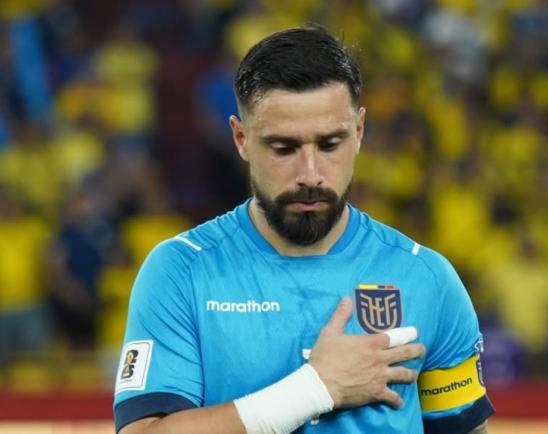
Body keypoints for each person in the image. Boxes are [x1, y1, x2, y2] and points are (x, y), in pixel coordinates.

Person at [113, 25, 494, 434]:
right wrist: (313, 390)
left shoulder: (426, 278)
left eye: (330, 144)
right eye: (284, 148)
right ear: (241, 138)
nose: (310, 174)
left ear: (359, 132)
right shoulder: (181, 272)